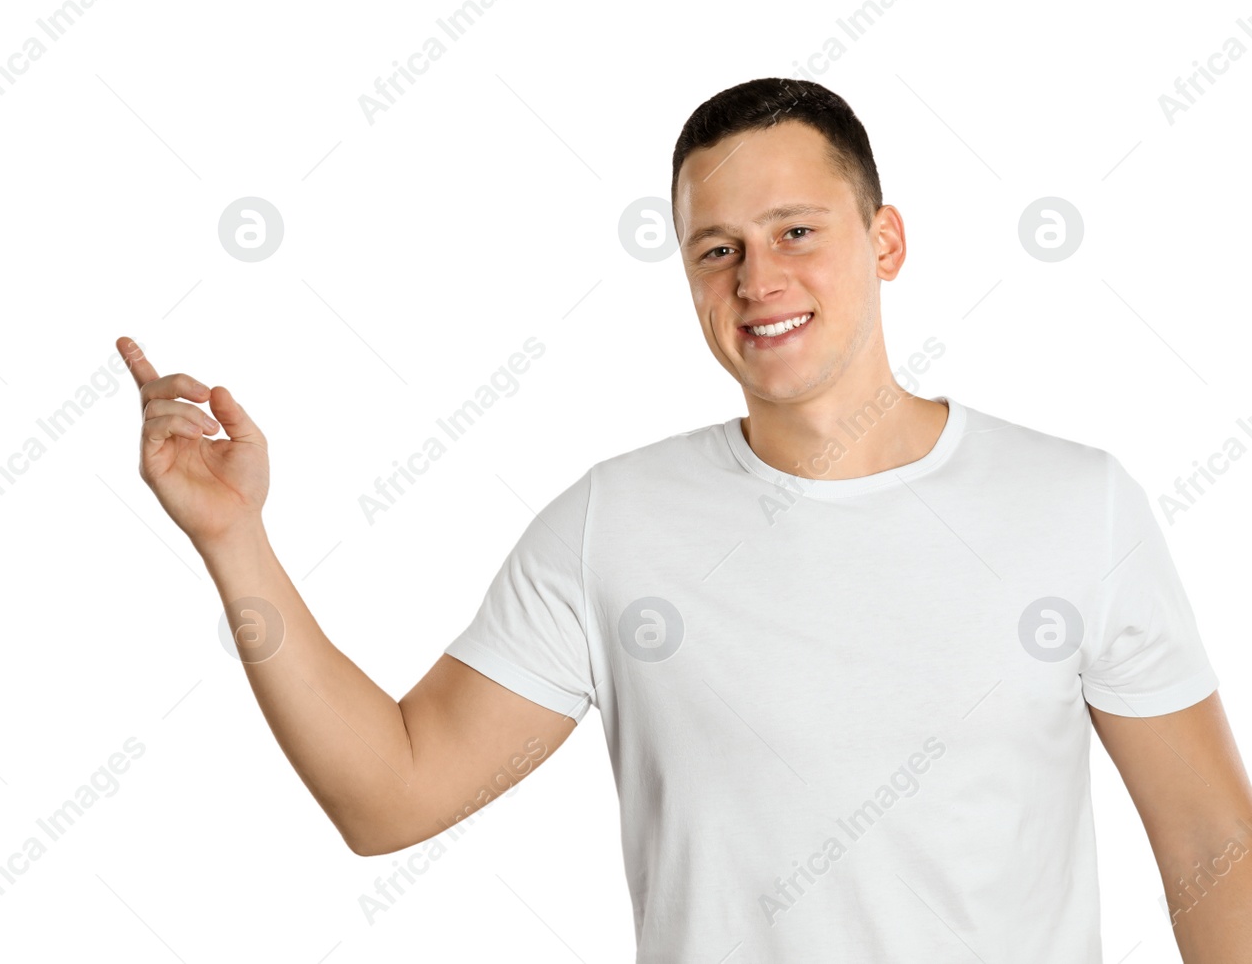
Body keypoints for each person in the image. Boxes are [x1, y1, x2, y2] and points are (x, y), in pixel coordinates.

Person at [116, 77, 1252, 962]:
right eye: (718, 249)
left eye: (796, 231)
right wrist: (234, 539)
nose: (758, 277)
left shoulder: (1073, 504)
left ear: (886, 240)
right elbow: (389, 794)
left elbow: (1212, 842)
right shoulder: (618, 525)